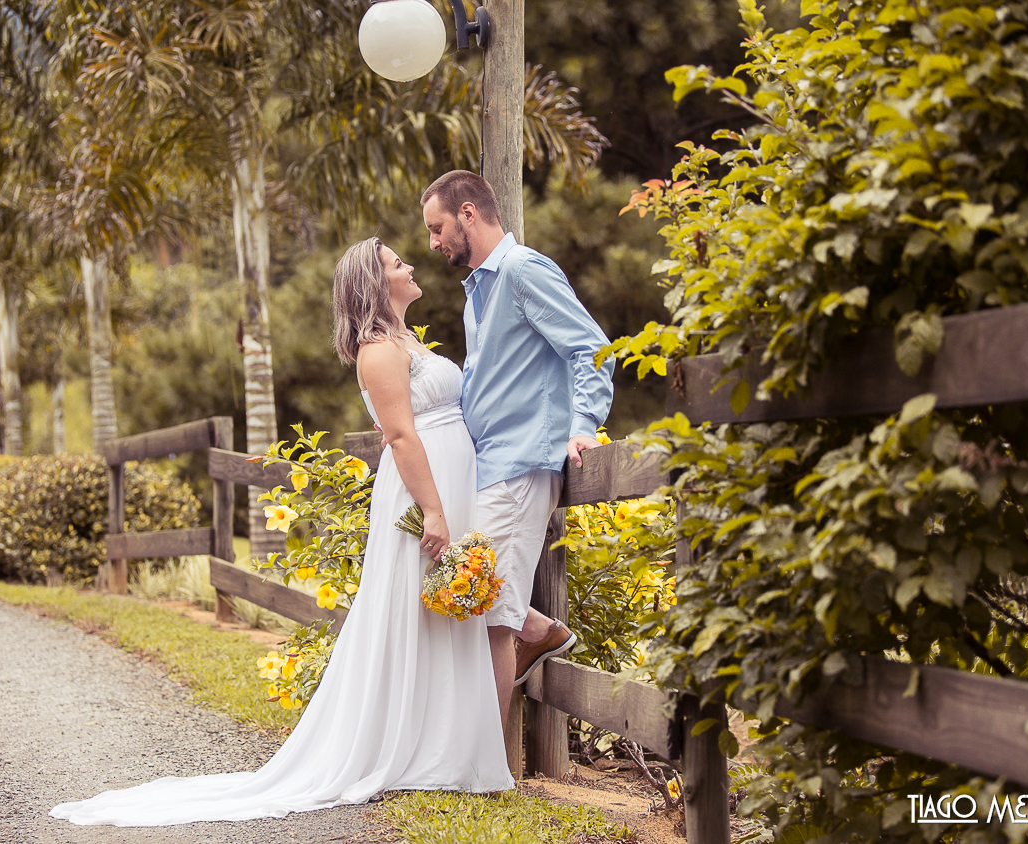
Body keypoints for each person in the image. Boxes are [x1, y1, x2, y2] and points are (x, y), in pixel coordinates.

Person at [50, 238, 511, 826]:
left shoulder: (406, 341)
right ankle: (418, 749)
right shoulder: (378, 351)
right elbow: (400, 437)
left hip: (447, 477)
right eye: (398, 263)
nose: (411, 266)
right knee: (416, 613)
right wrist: (437, 512)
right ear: (376, 283)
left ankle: (441, 745)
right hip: (425, 491)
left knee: (442, 614)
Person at [421, 170, 616, 728]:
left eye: (437, 229)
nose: (433, 244)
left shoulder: (523, 270)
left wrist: (584, 424)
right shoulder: (477, 288)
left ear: (467, 213)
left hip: (521, 464)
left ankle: (480, 764)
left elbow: (592, 349)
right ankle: (541, 632)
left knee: (490, 619)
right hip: (490, 468)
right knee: (474, 596)